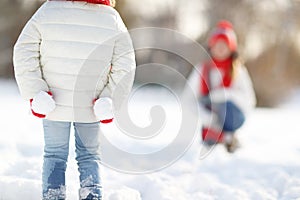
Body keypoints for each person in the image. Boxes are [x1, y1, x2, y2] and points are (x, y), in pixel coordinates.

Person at [13, 0, 136, 199]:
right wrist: (109, 97)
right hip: (91, 107)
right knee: (89, 158)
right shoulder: (110, 17)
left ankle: (53, 196)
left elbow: (23, 50)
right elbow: (126, 63)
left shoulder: (48, 11)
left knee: (54, 156)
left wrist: (36, 91)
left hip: (53, 104)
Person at [188, 20, 256, 153]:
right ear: (211, 47)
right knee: (209, 143)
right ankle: (220, 137)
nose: (220, 48)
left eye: (224, 45)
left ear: (231, 48)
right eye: (217, 44)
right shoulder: (202, 69)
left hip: (232, 115)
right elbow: (189, 98)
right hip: (208, 115)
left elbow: (249, 100)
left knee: (226, 107)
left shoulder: (238, 71)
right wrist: (206, 117)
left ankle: (229, 135)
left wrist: (224, 94)